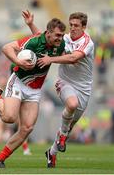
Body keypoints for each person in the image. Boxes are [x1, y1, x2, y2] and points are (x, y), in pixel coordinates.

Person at [0, 14, 66, 168]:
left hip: (34, 90)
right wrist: (18, 61)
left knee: (27, 128)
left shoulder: (59, 45)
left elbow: (63, 55)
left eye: (61, 35)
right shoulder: (33, 41)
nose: (60, 38)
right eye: (57, 35)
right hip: (18, 82)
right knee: (9, 117)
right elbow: (6, 47)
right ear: (48, 33)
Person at [23, 10, 94, 168]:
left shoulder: (87, 42)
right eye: (71, 25)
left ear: (84, 27)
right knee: (72, 105)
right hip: (65, 82)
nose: (73, 28)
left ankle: (52, 152)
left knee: (68, 127)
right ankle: (62, 137)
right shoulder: (65, 38)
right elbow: (44, 38)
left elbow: (73, 58)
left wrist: (50, 59)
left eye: (76, 25)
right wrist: (31, 24)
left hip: (84, 89)